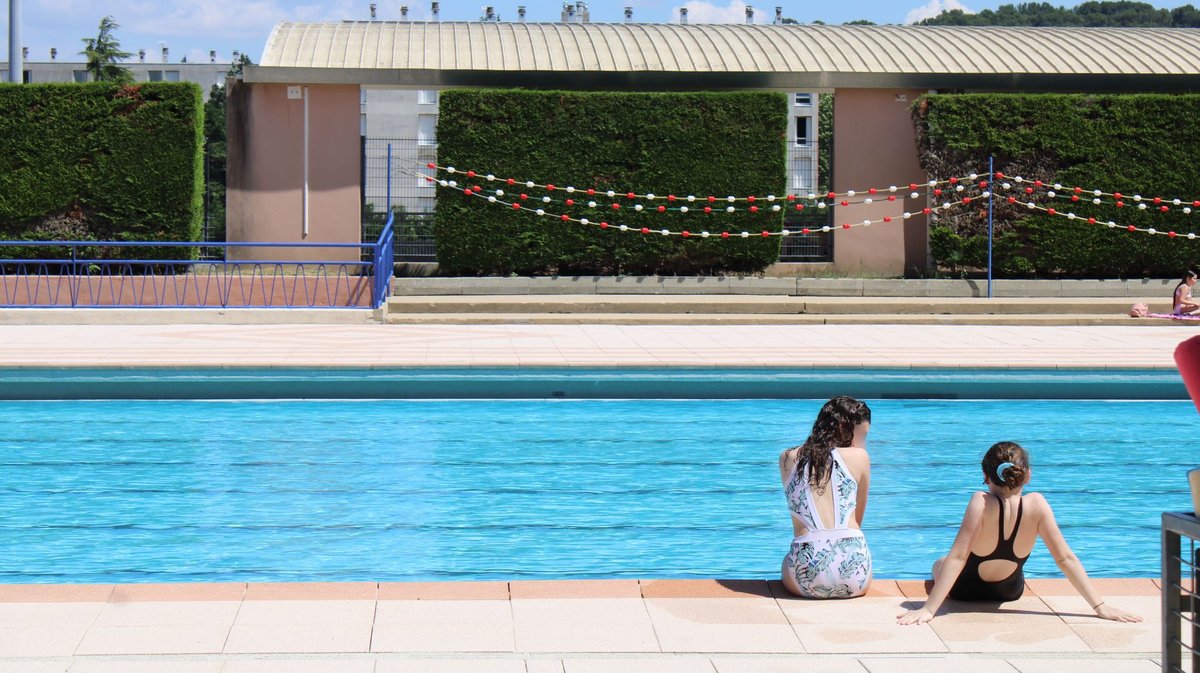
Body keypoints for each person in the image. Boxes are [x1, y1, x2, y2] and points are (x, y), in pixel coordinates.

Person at [897, 441, 1142, 624]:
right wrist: (1100, 606)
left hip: (965, 591)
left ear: (985, 476)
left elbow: (958, 557)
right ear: (1027, 475)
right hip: (1009, 591)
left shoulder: (980, 502)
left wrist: (929, 610)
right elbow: (1065, 559)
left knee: (940, 563)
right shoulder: (1037, 504)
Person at [779, 395, 873, 598]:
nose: (863, 444)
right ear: (844, 430)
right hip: (856, 578)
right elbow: (857, 520)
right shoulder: (860, 457)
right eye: (862, 436)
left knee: (787, 559)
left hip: (806, 579)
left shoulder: (788, 457)